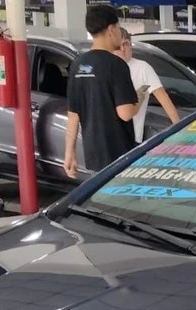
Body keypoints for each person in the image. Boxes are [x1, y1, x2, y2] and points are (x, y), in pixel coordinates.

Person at [63, 5, 139, 179]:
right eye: (118, 27)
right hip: (119, 156)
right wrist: (139, 99)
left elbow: (73, 115)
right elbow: (126, 113)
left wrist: (70, 153)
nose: (120, 33)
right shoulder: (116, 65)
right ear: (111, 29)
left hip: (93, 156)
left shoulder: (77, 65)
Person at [115, 28, 181, 145]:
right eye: (119, 45)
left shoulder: (143, 68)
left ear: (131, 45)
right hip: (110, 136)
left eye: (126, 44)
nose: (123, 49)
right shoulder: (107, 68)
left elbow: (163, 97)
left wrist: (179, 127)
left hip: (132, 138)